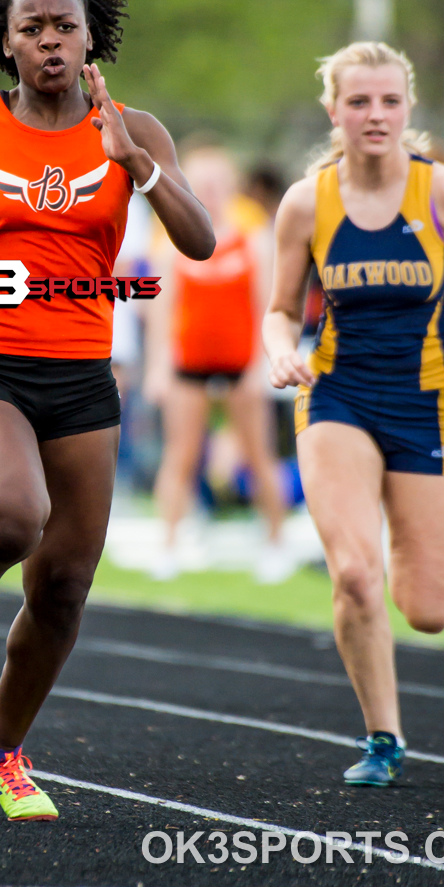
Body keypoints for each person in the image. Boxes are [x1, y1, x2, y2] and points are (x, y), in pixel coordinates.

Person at [0, 0, 214, 822]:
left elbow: (200, 242)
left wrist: (135, 166)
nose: (48, 42)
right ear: (6, 40)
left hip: (79, 379)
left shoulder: (132, 128)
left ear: (89, 38)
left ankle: (1, 751)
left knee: (67, 583)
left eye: (63, 26)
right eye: (30, 28)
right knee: (9, 520)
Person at [263, 41, 444, 787]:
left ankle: (403, 626)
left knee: (428, 609)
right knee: (354, 573)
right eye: (358, 102)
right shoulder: (305, 200)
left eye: (387, 101)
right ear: (333, 110)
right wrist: (279, 349)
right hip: (337, 396)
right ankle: (382, 738)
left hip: (434, 406)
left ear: (407, 108)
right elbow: (280, 308)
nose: (374, 115)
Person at [146, 146, 285, 580]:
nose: (209, 190)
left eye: (216, 182)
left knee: (259, 453)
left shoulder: (254, 239)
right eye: (200, 182)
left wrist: (266, 363)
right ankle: (168, 544)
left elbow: (268, 304)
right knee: (181, 455)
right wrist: (159, 368)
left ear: (230, 186)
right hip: (190, 363)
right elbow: (161, 311)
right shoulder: (172, 241)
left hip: (241, 362)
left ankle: (275, 543)